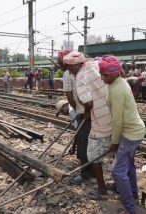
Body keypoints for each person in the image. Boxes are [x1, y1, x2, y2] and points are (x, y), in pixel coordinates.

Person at [96, 55, 145, 214]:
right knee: (128, 165)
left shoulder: (117, 88)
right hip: (133, 130)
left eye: (106, 75)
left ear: (116, 72)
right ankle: (134, 197)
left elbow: (117, 121)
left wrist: (115, 143)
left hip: (130, 132)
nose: (103, 78)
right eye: (101, 74)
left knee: (117, 171)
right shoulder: (117, 82)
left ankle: (130, 208)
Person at [64, 51, 112, 200]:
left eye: (70, 67)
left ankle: (99, 186)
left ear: (78, 64)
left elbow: (88, 102)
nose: (69, 70)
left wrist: (85, 111)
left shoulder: (80, 78)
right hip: (109, 112)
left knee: (90, 151)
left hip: (97, 117)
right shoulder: (93, 66)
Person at [58, 49, 92, 185]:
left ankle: (86, 174)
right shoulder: (87, 69)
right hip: (90, 110)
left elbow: (70, 97)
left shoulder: (67, 74)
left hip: (83, 111)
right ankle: (91, 170)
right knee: (90, 141)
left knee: (84, 143)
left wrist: (80, 110)